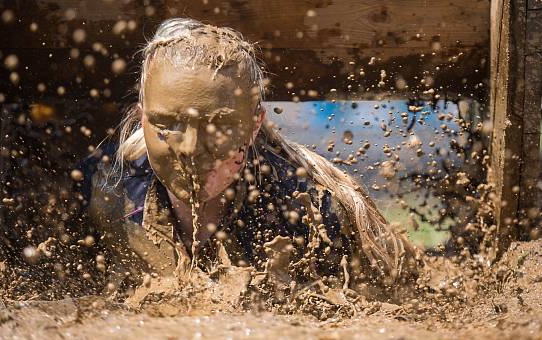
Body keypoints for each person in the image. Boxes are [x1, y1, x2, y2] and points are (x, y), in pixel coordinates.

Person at [80, 18, 419, 299]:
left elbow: (407, 295)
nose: (189, 148)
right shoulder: (108, 189)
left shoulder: (310, 210)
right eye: (167, 124)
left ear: (255, 124)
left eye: (220, 126)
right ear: (143, 118)